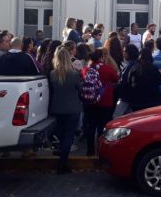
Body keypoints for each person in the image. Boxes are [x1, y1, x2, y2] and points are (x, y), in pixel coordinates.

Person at [48, 46, 83, 174]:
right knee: (69, 136)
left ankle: (62, 160)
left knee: (62, 135)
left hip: (57, 108)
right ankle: (63, 162)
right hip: (73, 109)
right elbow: (80, 90)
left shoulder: (52, 74)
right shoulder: (74, 74)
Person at [82, 49, 119, 156]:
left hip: (89, 101)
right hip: (105, 101)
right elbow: (116, 79)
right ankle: (101, 150)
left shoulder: (86, 69)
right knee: (102, 127)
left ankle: (90, 150)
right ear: (101, 58)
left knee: (91, 126)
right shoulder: (107, 68)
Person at [126, 47, 161, 111]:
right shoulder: (154, 69)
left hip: (136, 101)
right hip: (152, 101)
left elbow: (128, 82)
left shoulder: (134, 68)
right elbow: (160, 81)